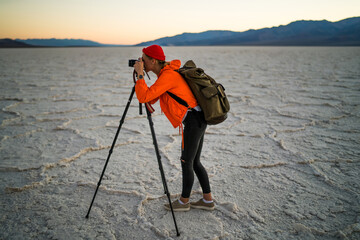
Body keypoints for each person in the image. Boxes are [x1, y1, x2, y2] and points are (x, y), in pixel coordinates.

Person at [133, 45, 214, 211]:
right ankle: (207, 200)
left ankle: (184, 202)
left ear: (153, 60)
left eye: (144, 59)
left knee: (187, 162)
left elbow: (144, 97)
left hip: (194, 121)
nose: (141, 61)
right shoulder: (166, 75)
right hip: (196, 119)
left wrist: (140, 75)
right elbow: (152, 97)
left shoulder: (168, 76)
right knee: (195, 162)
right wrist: (140, 78)